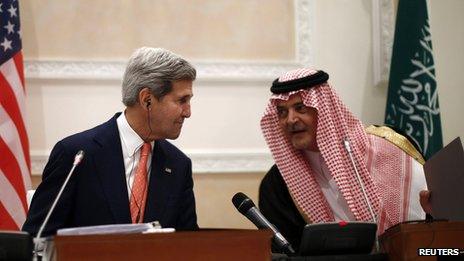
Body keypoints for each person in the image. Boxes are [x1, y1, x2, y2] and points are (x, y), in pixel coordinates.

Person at [23, 47, 198, 236]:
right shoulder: (76, 155)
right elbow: (37, 238)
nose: (188, 112)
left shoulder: (178, 165)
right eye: (182, 100)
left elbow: (188, 243)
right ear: (147, 100)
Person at [258, 68, 431, 251]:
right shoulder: (277, 186)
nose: (290, 120)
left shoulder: (388, 147)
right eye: (282, 112)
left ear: (324, 110)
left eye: (300, 108)